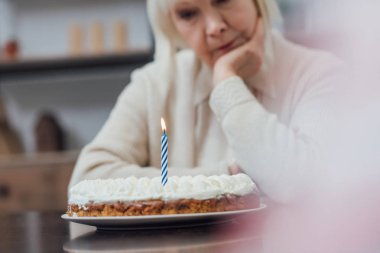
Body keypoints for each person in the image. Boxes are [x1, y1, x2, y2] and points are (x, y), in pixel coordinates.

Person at [69, 0, 344, 203]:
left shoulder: (319, 74)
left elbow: (309, 186)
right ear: (171, 24)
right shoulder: (155, 83)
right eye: (188, 14)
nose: (215, 27)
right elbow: (86, 179)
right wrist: (224, 177)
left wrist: (227, 84)